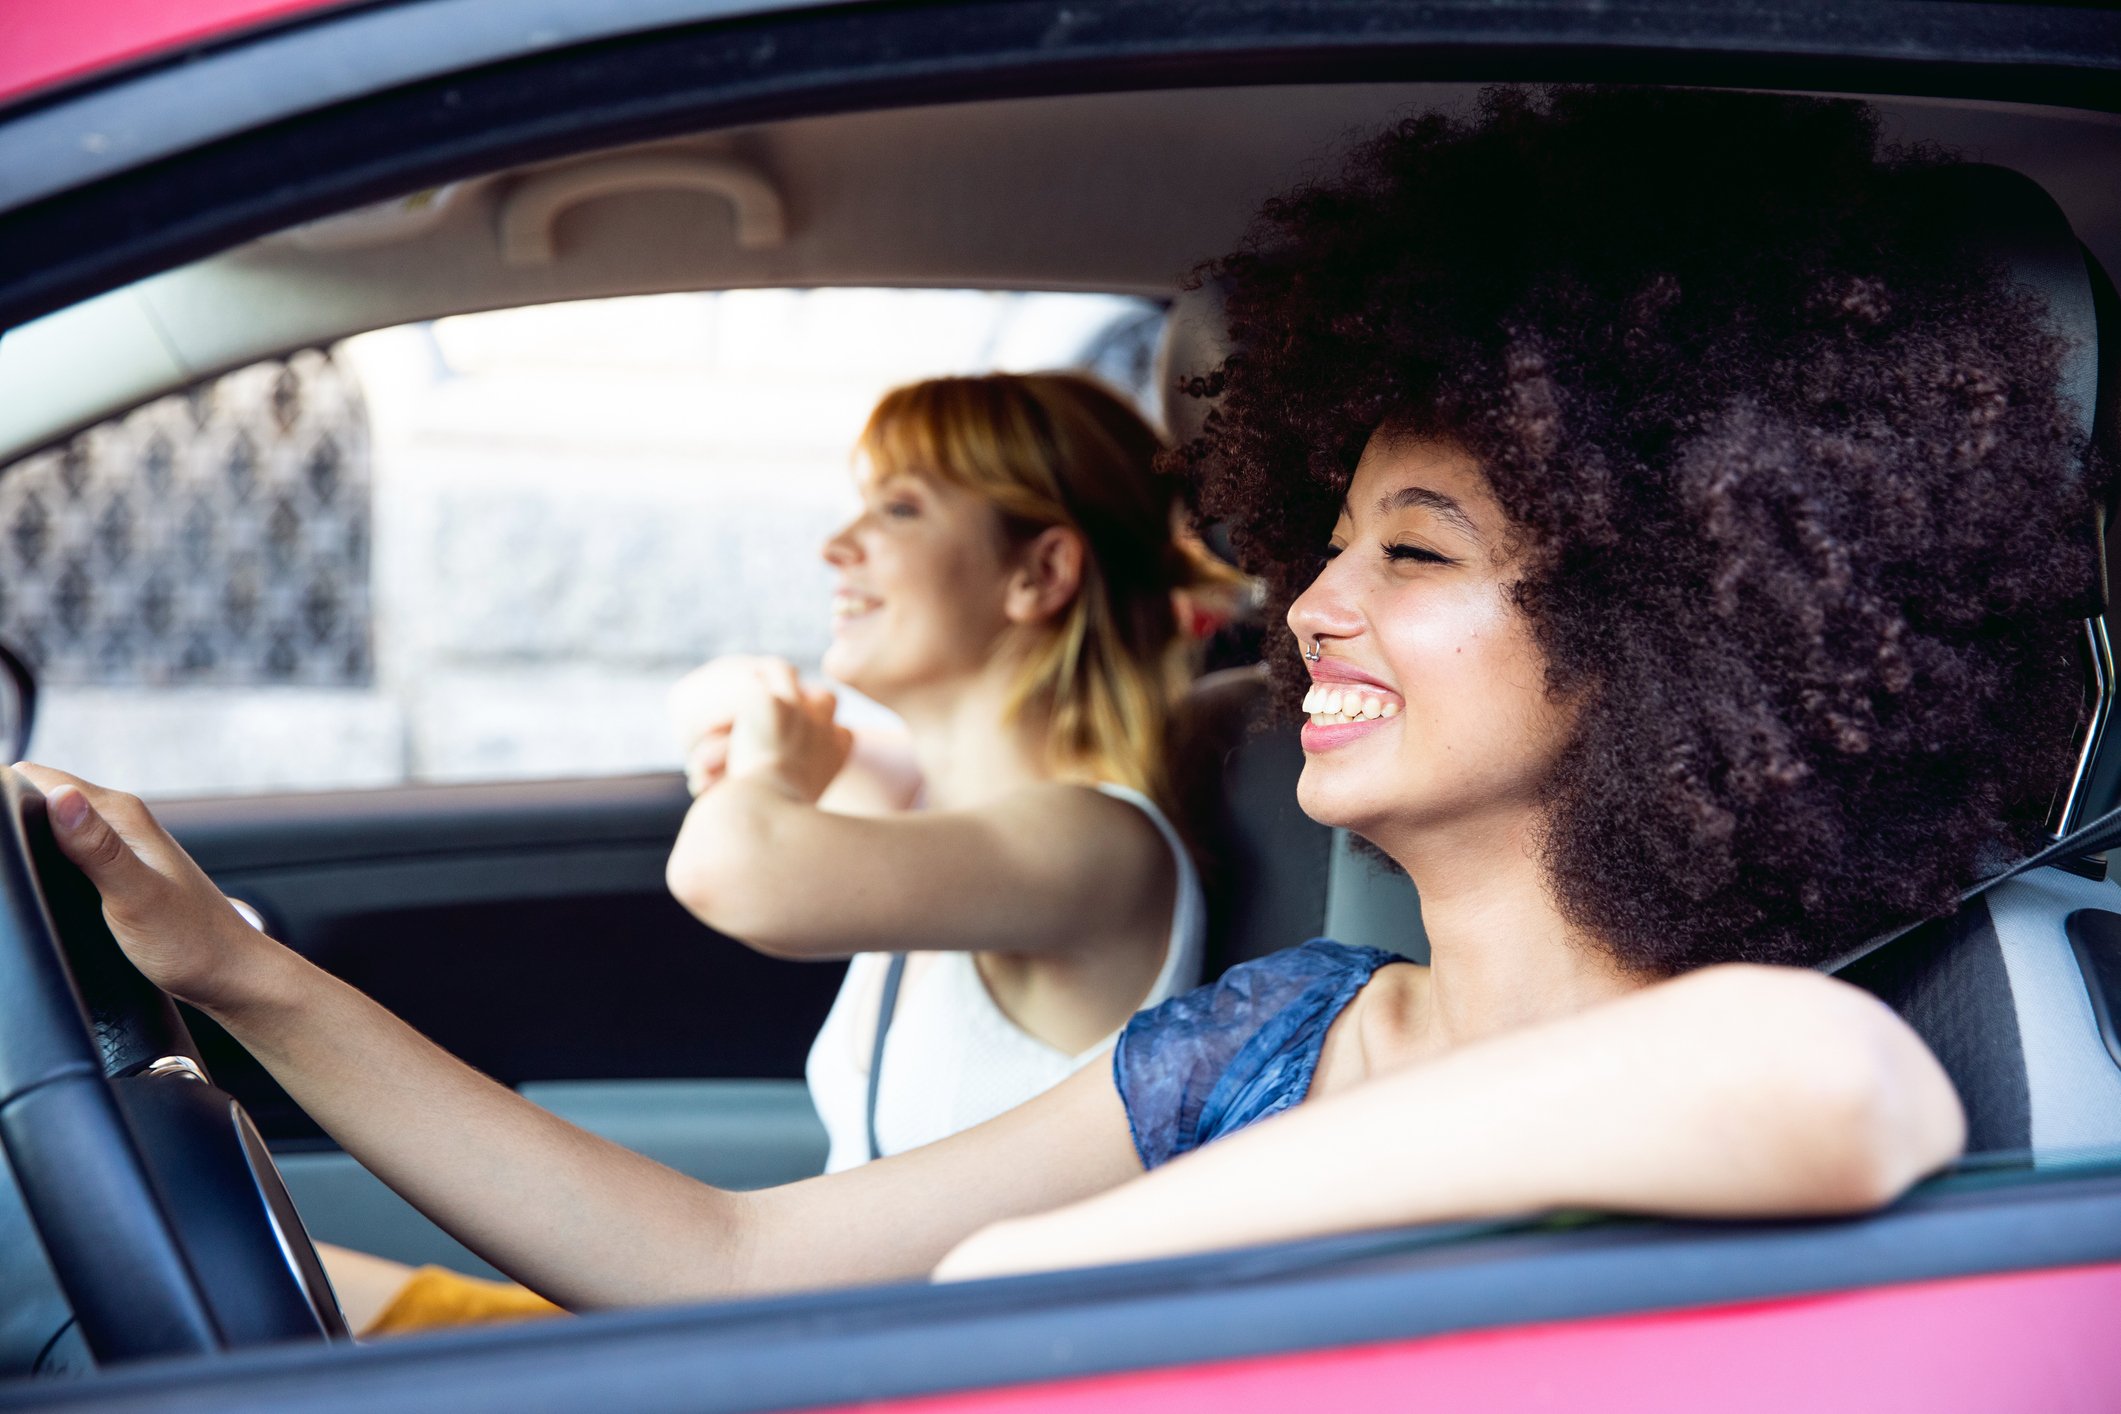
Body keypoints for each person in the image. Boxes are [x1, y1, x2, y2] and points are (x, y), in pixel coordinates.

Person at [20, 85, 2087, 1306]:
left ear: (1668, 623)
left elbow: (1819, 1087)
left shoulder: (1798, 1036)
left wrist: (1045, 1280)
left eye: (1415, 550)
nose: (1307, 605)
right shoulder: (1256, 1035)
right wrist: (237, 973)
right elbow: (728, 1268)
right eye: (1330, 533)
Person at [661, 372, 1224, 1172]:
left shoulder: (1095, 844)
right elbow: (708, 703)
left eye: (899, 509)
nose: (834, 546)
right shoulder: (925, 801)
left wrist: (769, 767)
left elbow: (729, 867)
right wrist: (761, 738)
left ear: (1039, 574)